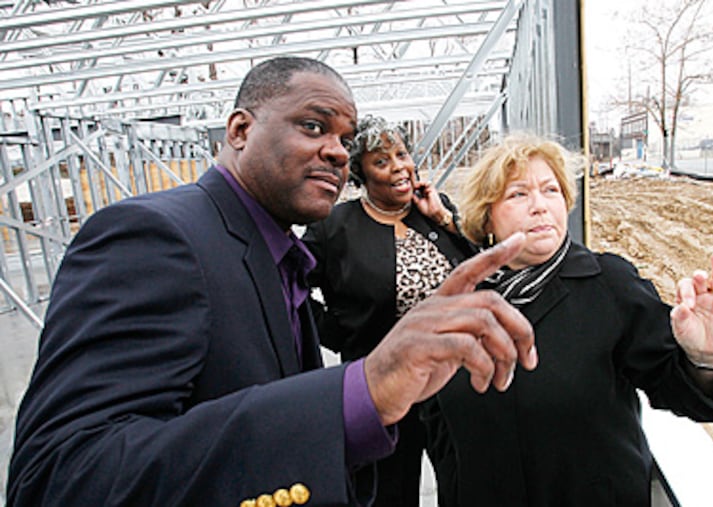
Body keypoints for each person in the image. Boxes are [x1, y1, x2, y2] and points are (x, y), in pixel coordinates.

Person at [5, 57, 539, 507]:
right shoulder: (156, 235)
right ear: (239, 130)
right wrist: (358, 389)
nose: (336, 151)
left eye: (345, 140)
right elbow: (59, 478)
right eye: (313, 126)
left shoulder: (276, 250)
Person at [421, 133, 713, 507]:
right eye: (518, 194)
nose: (539, 206)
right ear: (487, 218)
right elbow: (439, 426)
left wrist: (707, 360)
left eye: (551, 190)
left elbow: (680, 390)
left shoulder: (608, 285)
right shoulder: (456, 303)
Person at [302, 115, 476, 507]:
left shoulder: (433, 209)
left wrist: (446, 221)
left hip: (452, 380)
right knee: (390, 489)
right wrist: (338, 332)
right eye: (382, 161)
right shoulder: (333, 228)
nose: (399, 167)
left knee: (465, 479)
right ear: (360, 175)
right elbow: (290, 286)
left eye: (402, 154)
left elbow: (480, 270)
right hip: (383, 382)